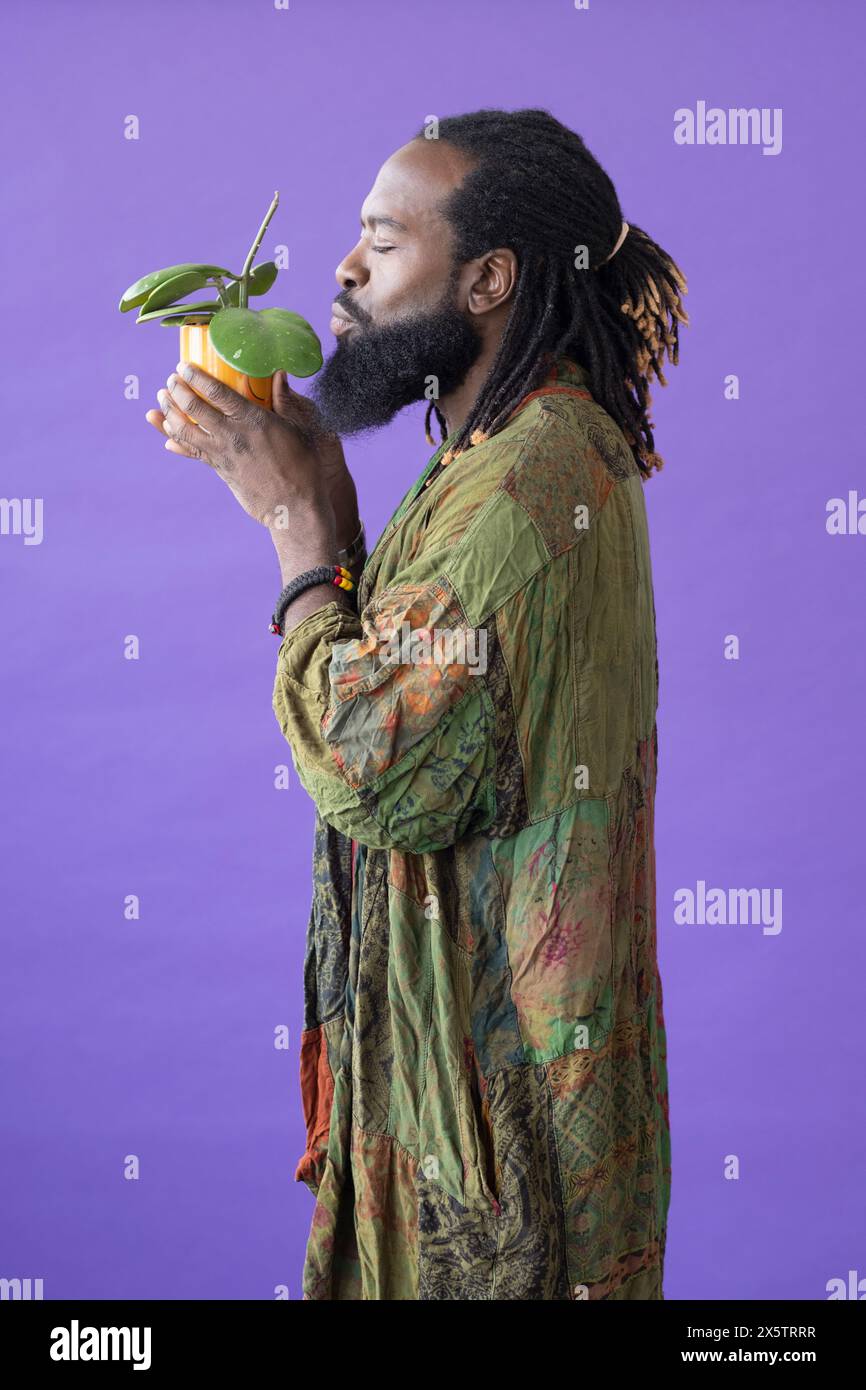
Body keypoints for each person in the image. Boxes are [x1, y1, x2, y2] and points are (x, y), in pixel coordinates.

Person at [148, 107, 688, 1300]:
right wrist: (331, 512)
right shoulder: (501, 451)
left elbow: (368, 762)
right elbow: (425, 706)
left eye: (383, 242)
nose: (342, 270)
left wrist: (293, 532)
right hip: (460, 1111)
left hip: (497, 1150)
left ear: (489, 279)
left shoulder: (521, 486)